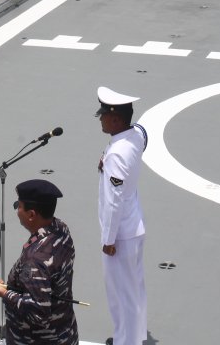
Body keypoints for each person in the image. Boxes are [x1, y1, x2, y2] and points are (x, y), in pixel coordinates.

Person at [0, 179, 79, 345]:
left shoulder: (36, 260)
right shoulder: (60, 228)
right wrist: (11, 287)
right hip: (65, 333)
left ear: (32, 215)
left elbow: (37, 312)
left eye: (19, 206)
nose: (17, 210)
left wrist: (4, 293)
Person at [97, 87, 148, 345]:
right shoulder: (135, 136)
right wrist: (107, 157)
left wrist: (108, 239)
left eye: (104, 115)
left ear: (116, 119)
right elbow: (143, 134)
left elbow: (113, 201)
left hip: (121, 235)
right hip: (135, 226)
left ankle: (125, 341)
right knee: (135, 290)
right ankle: (136, 337)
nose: (100, 118)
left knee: (121, 295)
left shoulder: (116, 153)